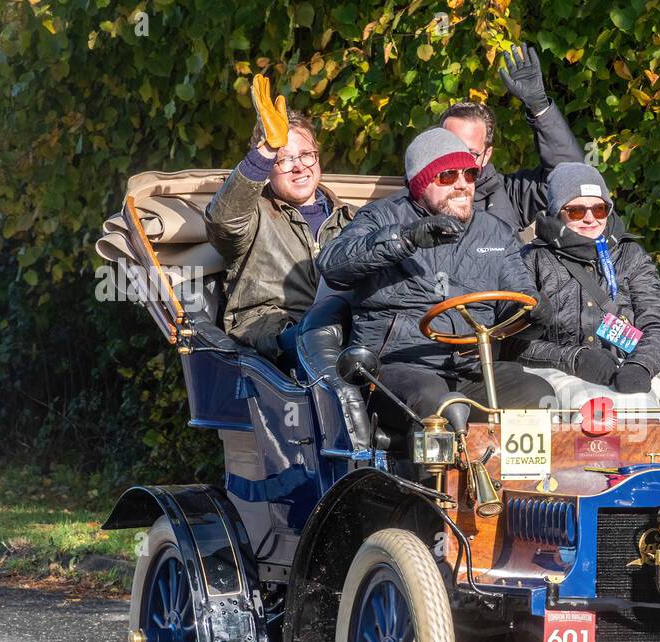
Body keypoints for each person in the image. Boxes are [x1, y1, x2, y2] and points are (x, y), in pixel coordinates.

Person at [315, 127, 555, 420]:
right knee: (436, 401)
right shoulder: (382, 217)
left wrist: (536, 313)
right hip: (397, 366)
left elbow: (517, 305)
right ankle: (432, 468)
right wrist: (406, 239)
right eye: (447, 176)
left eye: (470, 174)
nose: (461, 184)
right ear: (420, 183)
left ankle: (511, 467)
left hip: (471, 367)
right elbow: (333, 265)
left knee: (537, 393)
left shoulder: (496, 232)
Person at [204, 74, 353, 360]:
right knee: (318, 341)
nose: (299, 167)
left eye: (306, 155)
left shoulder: (353, 219)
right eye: (284, 159)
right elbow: (224, 222)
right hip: (272, 336)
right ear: (267, 168)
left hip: (343, 333)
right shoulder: (256, 213)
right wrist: (267, 149)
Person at [508, 163, 660, 395]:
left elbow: (658, 323)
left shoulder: (631, 254)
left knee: (645, 410)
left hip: (630, 369)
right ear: (557, 212)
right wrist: (576, 358)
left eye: (599, 209)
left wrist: (640, 365)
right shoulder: (532, 258)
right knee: (589, 407)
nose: (590, 219)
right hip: (559, 376)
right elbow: (513, 340)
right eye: (576, 211)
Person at [439, 44, 583, 233]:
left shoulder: (507, 195)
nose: (459, 162)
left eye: (471, 153)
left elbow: (571, 175)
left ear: (487, 154)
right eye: (452, 149)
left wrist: (540, 107)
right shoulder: (417, 199)